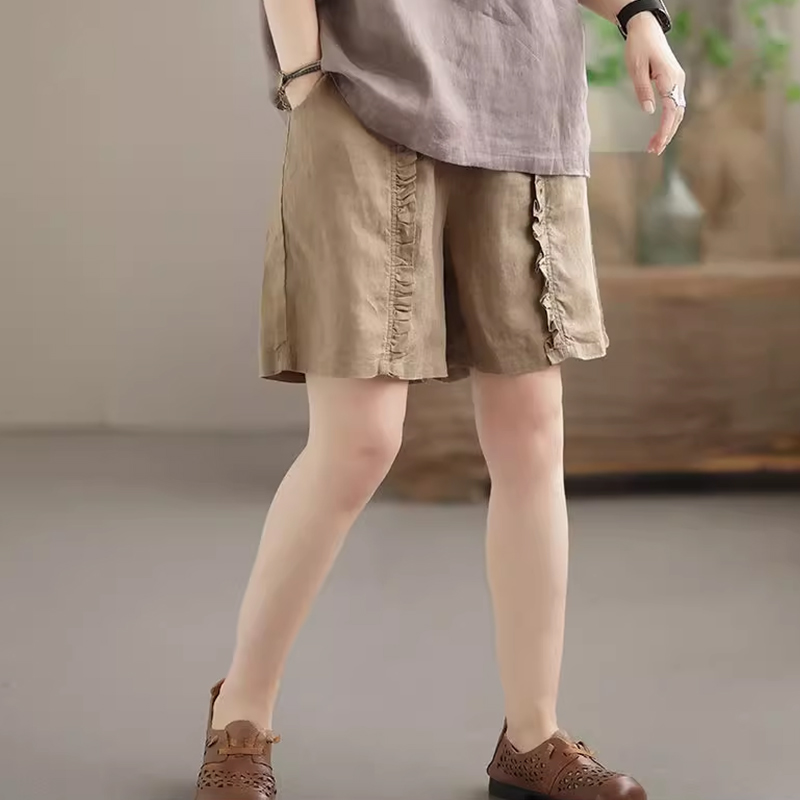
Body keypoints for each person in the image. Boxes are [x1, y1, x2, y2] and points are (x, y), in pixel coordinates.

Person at [192, 1, 686, 798]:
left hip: (521, 95)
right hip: (359, 92)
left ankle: (532, 736)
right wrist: (304, 73)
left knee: (532, 433)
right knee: (358, 441)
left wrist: (638, 15)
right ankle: (240, 713)